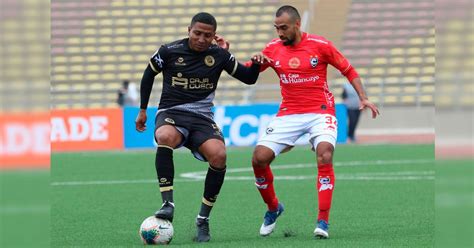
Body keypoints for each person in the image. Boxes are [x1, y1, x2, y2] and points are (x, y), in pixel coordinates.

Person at [247, 5, 380, 239]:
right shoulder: (272, 49)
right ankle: (273, 208)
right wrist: (251, 61)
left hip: (321, 111)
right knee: (259, 159)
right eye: (276, 28)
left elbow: (348, 69)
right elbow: (247, 73)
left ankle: (323, 221)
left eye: (284, 28)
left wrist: (363, 97)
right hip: (288, 114)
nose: (279, 33)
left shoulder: (321, 45)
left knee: (325, 154)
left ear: (297, 25)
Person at [135, 12, 267, 242]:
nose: (201, 39)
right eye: (197, 33)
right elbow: (148, 75)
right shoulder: (168, 51)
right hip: (172, 112)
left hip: (202, 118)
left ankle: (203, 220)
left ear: (214, 36)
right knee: (164, 136)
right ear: (189, 30)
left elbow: (248, 78)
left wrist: (255, 64)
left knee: (219, 155)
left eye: (207, 35)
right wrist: (143, 110)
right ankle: (167, 203)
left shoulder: (219, 55)